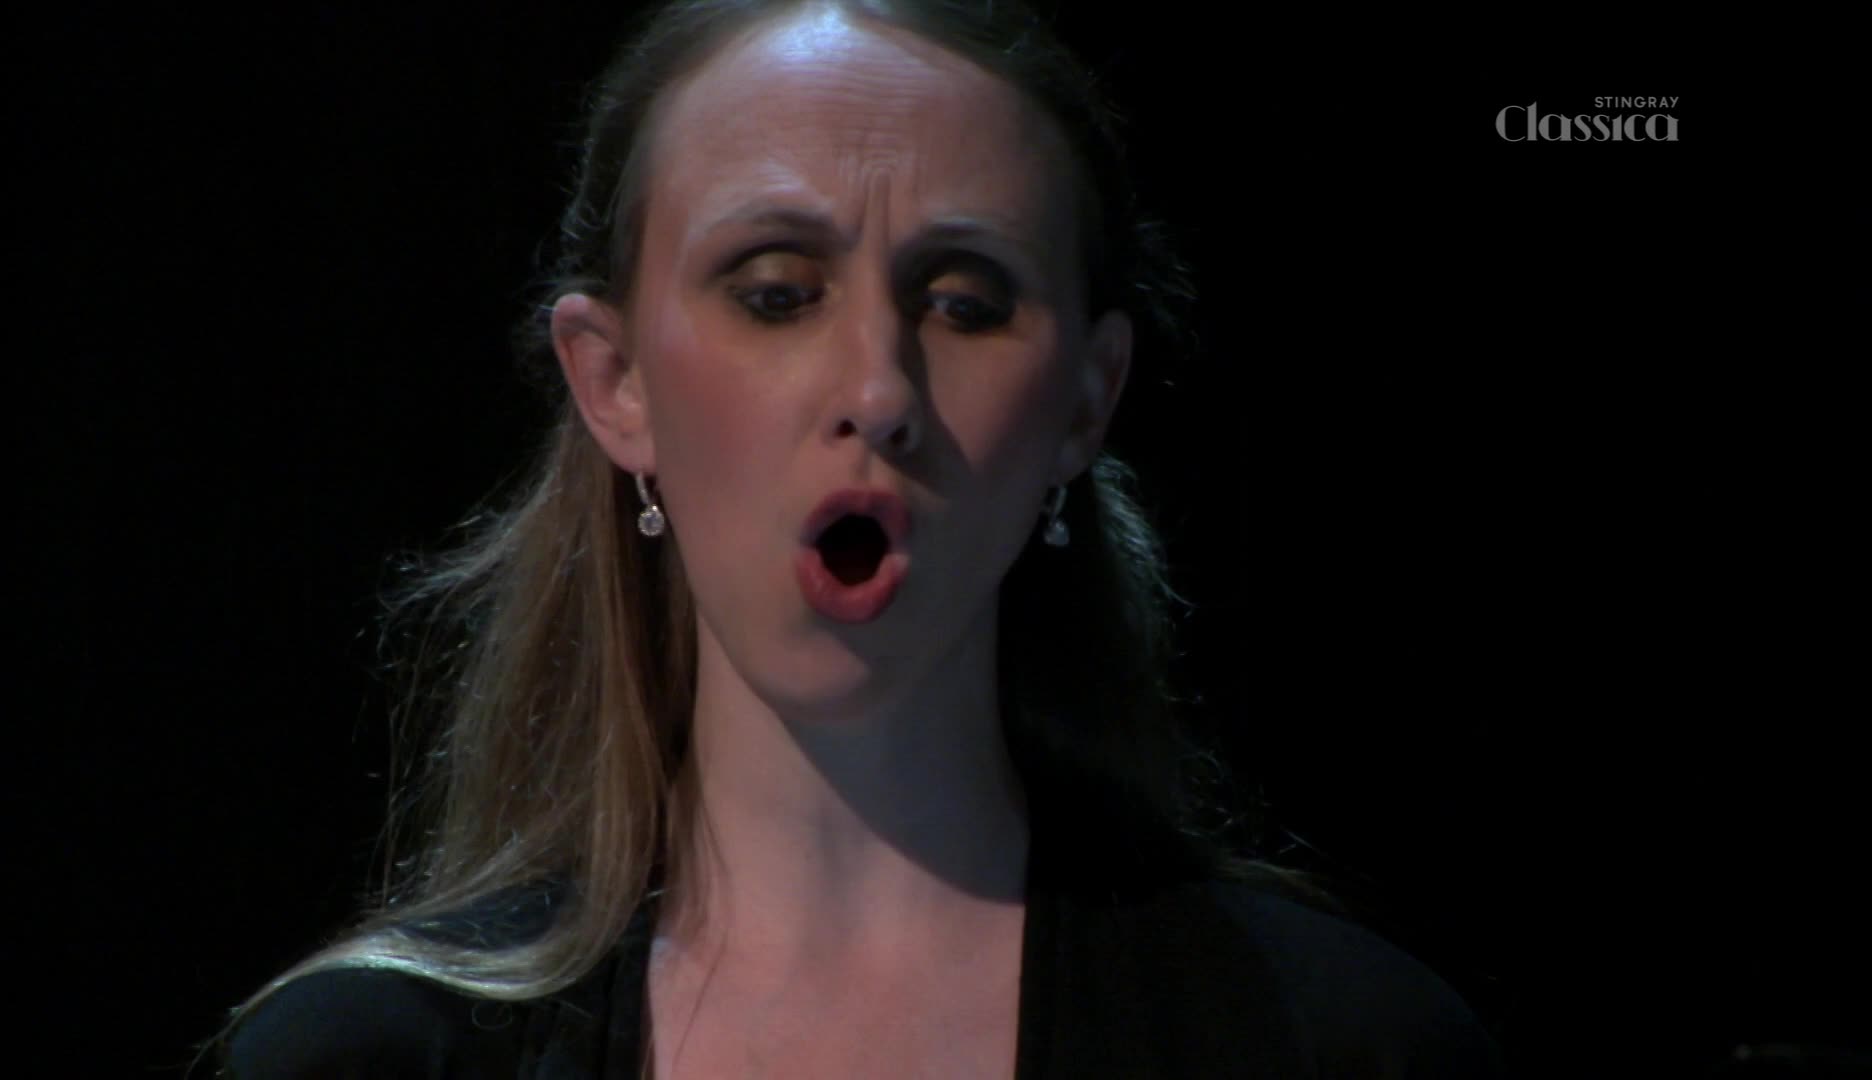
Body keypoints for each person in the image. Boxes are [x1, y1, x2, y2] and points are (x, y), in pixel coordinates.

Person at [216, 0, 1503, 1075]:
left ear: (1086, 403)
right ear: (613, 383)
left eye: (965, 303)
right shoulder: (364, 1059)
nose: (879, 393)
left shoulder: (1347, 1047)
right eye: (776, 294)